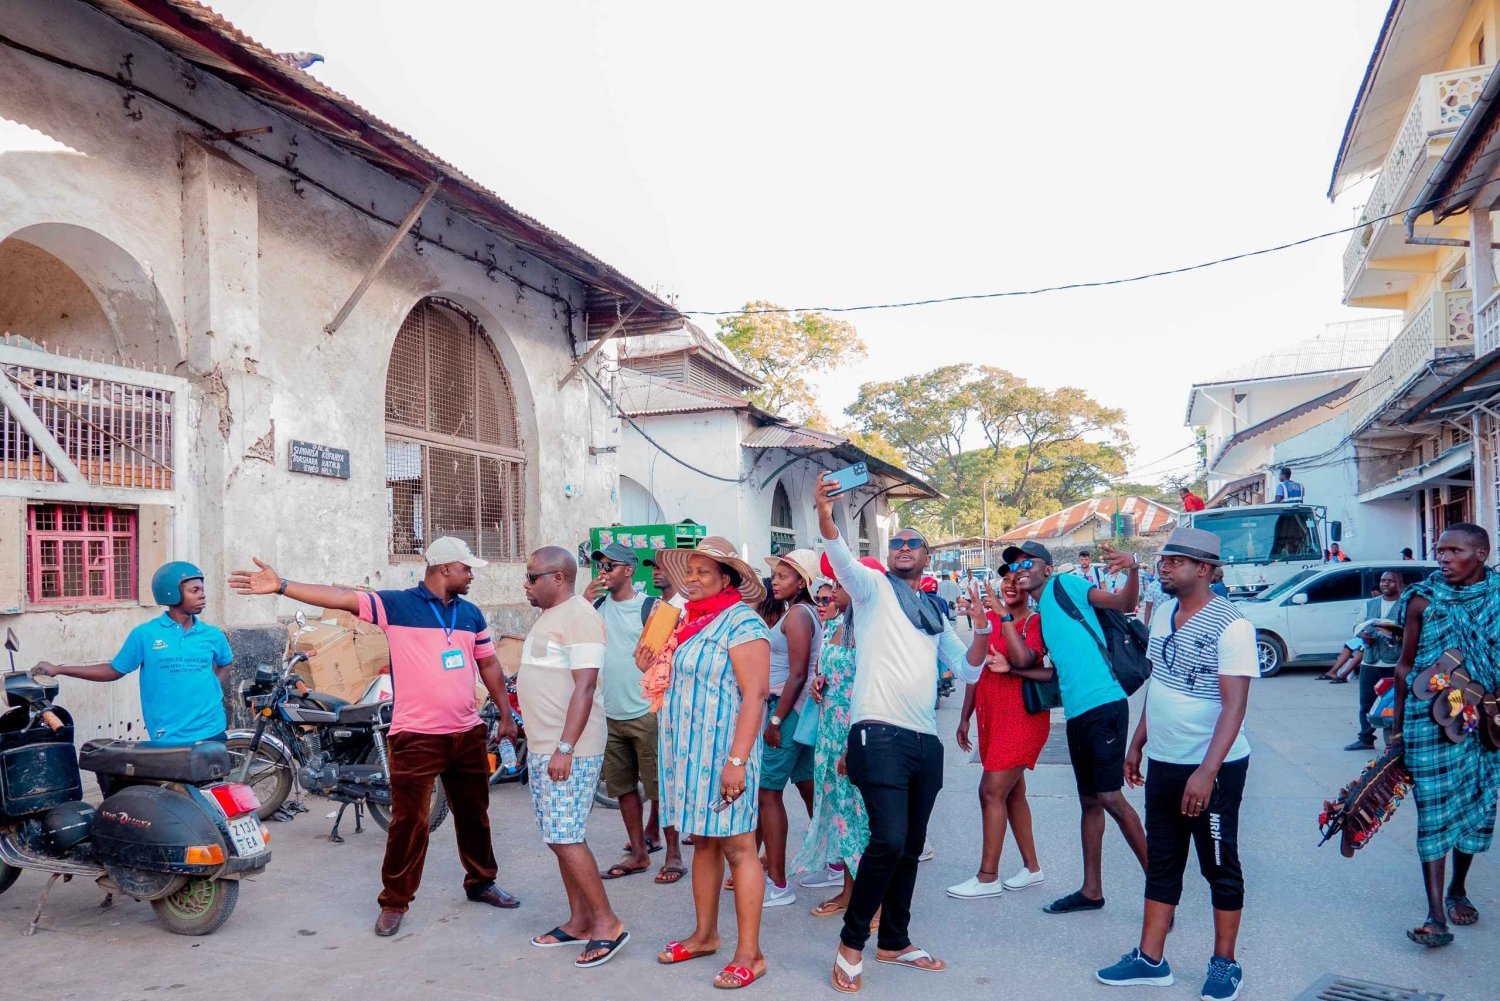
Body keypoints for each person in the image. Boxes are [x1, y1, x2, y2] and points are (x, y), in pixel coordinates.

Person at [226, 538, 520, 937]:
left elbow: (487, 663)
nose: (471, 575)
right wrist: (282, 586)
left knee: (474, 815)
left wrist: (505, 713)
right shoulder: (397, 606)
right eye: (467, 568)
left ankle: (481, 882)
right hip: (415, 736)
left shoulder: (470, 615)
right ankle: (395, 902)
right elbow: (343, 598)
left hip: (465, 732)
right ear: (445, 568)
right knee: (408, 824)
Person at [814, 475, 990, 993]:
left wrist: (980, 628)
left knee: (910, 845)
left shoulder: (935, 613)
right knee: (887, 840)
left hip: (923, 743)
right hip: (877, 734)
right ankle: (852, 944)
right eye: (896, 543)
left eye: (913, 543)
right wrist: (828, 512)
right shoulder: (872, 591)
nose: (903, 548)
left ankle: (894, 939)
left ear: (928, 555)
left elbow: (971, 671)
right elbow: (840, 554)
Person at [1096, 527, 1253, 1001]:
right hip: (1164, 761)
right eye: (1163, 560)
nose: (1164, 567)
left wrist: (1206, 772)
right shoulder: (1164, 613)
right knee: (1163, 862)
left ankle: (1225, 964)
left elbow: (1234, 706)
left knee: (1218, 865)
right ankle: (1151, 959)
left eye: (1175, 561)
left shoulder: (1233, 626)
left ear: (1204, 569)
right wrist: (1138, 742)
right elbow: (1160, 685)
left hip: (1214, 769)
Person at [1001, 538, 1151, 915]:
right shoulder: (1042, 610)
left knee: (1111, 798)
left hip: (1103, 703)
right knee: (1090, 802)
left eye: (1027, 564)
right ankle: (1091, 890)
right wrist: (1014, 669)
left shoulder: (1065, 585)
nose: (1019, 572)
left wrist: (1133, 567)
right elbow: (1053, 670)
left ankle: (1161, 893)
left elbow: (1124, 604)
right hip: (1077, 714)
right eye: (1014, 567)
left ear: (1047, 568)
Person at [651, 537, 773, 989]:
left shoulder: (742, 624)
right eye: (691, 570)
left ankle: (751, 953)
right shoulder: (689, 621)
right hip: (689, 755)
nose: (694, 578)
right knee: (704, 842)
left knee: (740, 849)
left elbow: (755, 696)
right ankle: (704, 935)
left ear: (727, 579)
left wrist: (737, 761)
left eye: (705, 571)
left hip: (726, 756)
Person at [1391, 524, 1500, 949]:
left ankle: (1458, 889)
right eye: (1439, 551)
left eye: (1454, 551)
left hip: (1486, 720)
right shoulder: (1423, 598)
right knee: (1433, 812)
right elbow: (1404, 665)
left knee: (1476, 807)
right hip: (1429, 720)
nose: (1443, 558)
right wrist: (1396, 731)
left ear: (1481, 554)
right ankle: (1436, 915)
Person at [518, 547, 628, 968]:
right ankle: (580, 921)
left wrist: (565, 748)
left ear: (558, 578)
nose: (526, 585)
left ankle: (607, 925)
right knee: (556, 836)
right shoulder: (551, 616)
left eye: (532, 577)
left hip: (570, 749)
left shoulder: (580, 616)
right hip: (546, 746)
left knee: (566, 835)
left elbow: (584, 688)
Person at [33, 562, 232, 746]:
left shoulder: (212, 634)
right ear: (171, 593)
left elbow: (225, 662)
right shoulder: (145, 634)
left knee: (214, 784)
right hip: (170, 734)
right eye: (194, 590)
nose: (202, 595)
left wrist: (212, 685)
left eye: (202, 590)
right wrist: (59, 669)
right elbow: (113, 670)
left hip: (211, 728)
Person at [949, 568, 1050, 901]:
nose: (1010, 586)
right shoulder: (988, 619)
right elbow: (973, 670)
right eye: (1005, 581)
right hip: (992, 718)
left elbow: (1025, 659)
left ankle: (988, 876)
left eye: (1016, 582)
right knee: (1012, 792)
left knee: (990, 791)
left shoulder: (1033, 623)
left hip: (1022, 718)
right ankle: (1032, 868)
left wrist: (1004, 618)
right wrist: (965, 718)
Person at [584, 542, 681, 885]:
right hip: (610, 712)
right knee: (623, 787)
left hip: (648, 712)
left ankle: (672, 853)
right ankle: (639, 852)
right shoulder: (594, 606)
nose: (603, 572)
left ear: (628, 570)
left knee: (661, 788)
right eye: (600, 566)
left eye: (610, 566)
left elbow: (671, 656)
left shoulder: (653, 608)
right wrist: (582, 602)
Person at [792, 553, 879, 917]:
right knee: (841, 814)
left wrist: (853, 748)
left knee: (862, 817)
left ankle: (874, 903)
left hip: (857, 734)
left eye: (841, 585)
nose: (832, 591)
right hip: (829, 734)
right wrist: (818, 683)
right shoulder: (834, 626)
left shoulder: (873, 631)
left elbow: (873, 687)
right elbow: (825, 669)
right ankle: (847, 891)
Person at [758, 549, 823, 907]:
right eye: (776, 575)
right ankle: (831, 862)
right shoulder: (801, 612)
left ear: (802, 583)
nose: (775, 581)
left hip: (788, 708)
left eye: (784, 576)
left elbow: (798, 673)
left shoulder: (798, 614)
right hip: (801, 709)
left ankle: (778, 884)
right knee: (808, 786)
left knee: (768, 793)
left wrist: (776, 720)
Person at [1340, 571, 1405, 750]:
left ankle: (1396, 738)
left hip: (1394, 662)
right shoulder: (1370, 604)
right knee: (1366, 702)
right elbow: (1357, 626)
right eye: (1383, 581)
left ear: (1399, 584)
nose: (1385, 584)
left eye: (1391, 581)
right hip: (1371, 661)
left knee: (1394, 702)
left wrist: (1396, 633)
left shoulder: (1405, 604)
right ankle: (1366, 737)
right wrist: (1364, 636)